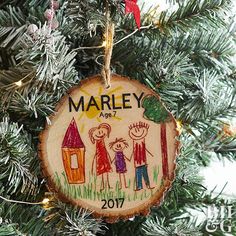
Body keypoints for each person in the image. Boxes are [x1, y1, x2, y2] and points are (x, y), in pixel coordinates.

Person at [129, 121, 154, 191]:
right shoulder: (135, 143)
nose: (137, 131)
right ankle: (139, 186)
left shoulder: (142, 142)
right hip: (137, 163)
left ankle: (148, 185)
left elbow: (144, 149)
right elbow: (134, 151)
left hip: (143, 162)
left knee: (145, 174)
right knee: (138, 175)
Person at [89, 123, 112, 191]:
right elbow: (98, 151)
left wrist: (108, 157)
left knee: (106, 171)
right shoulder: (98, 143)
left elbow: (104, 150)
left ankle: (106, 185)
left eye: (102, 132)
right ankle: (103, 186)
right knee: (102, 172)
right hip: (100, 158)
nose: (100, 133)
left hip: (104, 157)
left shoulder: (102, 142)